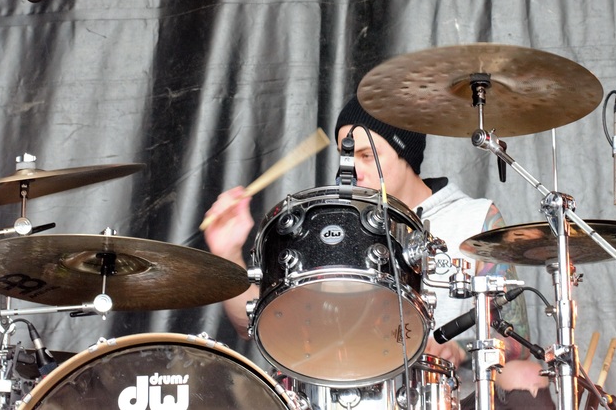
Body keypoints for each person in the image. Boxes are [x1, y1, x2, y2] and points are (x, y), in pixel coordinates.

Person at [203, 95, 554, 409]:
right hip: (346, 396)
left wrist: (456, 350)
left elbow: (516, 339)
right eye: (346, 155)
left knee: (526, 375)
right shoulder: (335, 226)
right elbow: (260, 324)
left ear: (405, 155)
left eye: (367, 155)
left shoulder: (475, 219)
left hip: (446, 396)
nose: (352, 168)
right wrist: (228, 253)